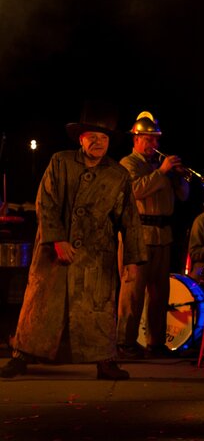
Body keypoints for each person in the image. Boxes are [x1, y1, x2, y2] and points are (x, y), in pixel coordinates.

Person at [0, 102, 146, 380]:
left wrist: (133, 260)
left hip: (96, 256)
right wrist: (57, 240)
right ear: (81, 138)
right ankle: (20, 356)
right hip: (54, 253)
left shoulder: (118, 175)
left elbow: (130, 219)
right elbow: (47, 203)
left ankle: (105, 361)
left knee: (98, 308)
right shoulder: (60, 162)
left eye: (103, 138)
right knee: (40, 303)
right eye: (92, 136)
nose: (97, 142)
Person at [116, 111, 190, 359]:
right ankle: (124, 343)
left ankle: (155, 342)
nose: (154, 145)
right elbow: (135, 190)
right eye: (149, 139)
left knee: (160, 294)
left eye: (156, 139)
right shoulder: (128, 163)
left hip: (162, 235)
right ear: (136, 139)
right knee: (133, 292)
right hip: (138, 234)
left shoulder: (160, 167)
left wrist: (179, 178)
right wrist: (162, 172)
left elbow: (183, 197)